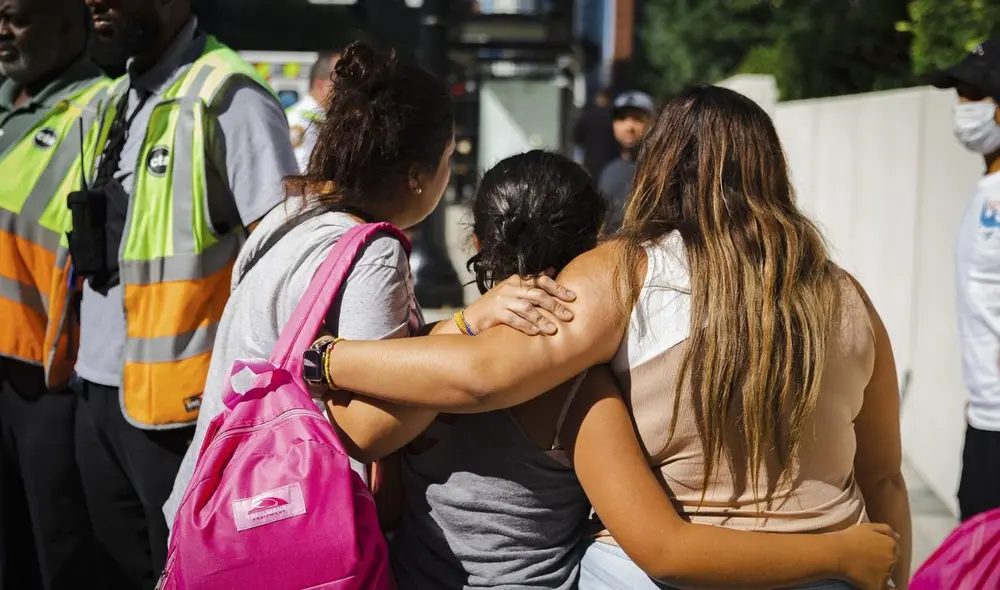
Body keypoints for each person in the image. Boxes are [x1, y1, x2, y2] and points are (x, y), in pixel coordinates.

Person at [315, 86, 912, 590]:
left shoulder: (629, 271)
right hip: (835, 564)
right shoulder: (849, 297)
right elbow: (884, 477)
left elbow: (484, 375)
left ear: (657, 165)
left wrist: (328, 357)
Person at [74, 1, 297, 587]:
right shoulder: (114, 96)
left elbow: (283, 262)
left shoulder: (229, 97)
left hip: (183, 411)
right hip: (98, 389)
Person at [0, 0, 108, 587]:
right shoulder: (3, 102)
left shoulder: (96, 109)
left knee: (58, 553)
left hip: (46, 378)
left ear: (70, 23)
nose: (2, 29)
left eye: (17, 16)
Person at [928, 38, 1000, 522]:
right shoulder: (986, 189)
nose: (962, 106)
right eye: (960, 92)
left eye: (975, 93)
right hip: (985, 421)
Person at [598, 90, 654, 234]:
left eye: (637, 119)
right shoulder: (608, 171)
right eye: (622, 118)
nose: (629, 127)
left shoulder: (663, 170)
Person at [287, 51, 339, 172]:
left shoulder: (322, 118)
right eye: (340, 83)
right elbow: (301, 175)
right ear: (321, 85)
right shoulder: (300, 122)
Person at [572, 88, 618, 180]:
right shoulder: (614, 117)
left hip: (591, 159)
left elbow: (577, 137)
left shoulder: (587, 115)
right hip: (611, 158)